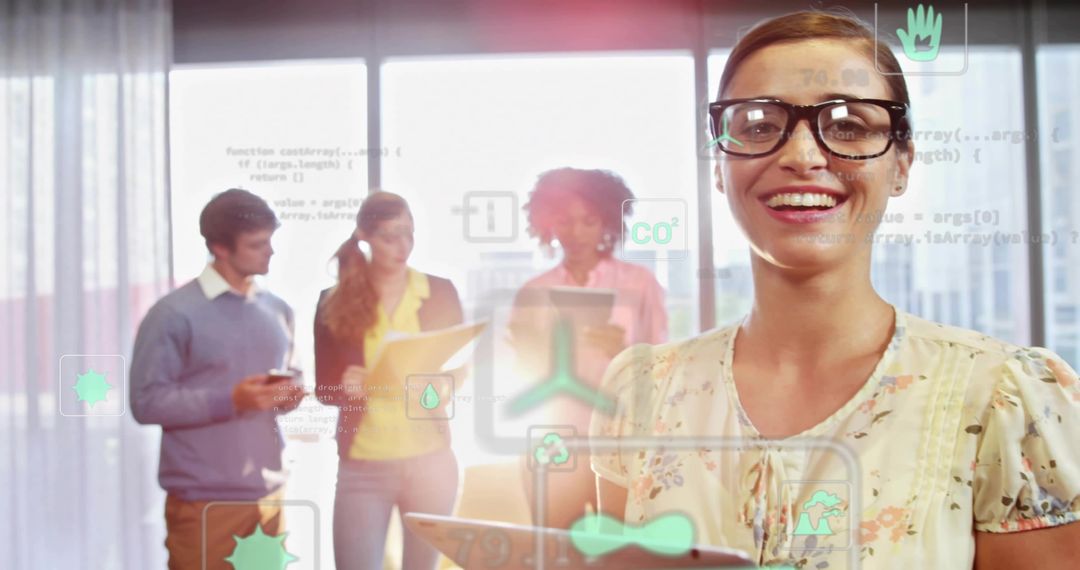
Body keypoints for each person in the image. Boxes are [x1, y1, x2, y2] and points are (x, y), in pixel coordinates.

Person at [590, 10, 1080, 569]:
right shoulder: (640, 392)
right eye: (757, 125)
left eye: (848, 126)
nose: (801, 156)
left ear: (901, 166)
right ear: (719, 168)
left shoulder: (1008, 398)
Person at [130, 188, 304, 570]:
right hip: (203, 500)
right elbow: (145, 401)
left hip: (269, 495)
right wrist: (232, 400)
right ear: (219, 248)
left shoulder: (278, 310)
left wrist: (289, 393)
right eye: (257, 244)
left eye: (270, 241)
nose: (270, 252)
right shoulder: (173, 314)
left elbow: (286, 375)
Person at [509, 167, 668, 529]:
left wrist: (624, 352)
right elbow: (520, 373)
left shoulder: (639, 284)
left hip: (621, 438)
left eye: (589, 220)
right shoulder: (533, 292)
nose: (576, 233)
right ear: (547, 223)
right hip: (553, 437)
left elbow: (663, 370)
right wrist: (539, 354)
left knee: (621, 551)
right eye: (565, 221)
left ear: (607, 222)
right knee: (556, 549)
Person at [314, 191, 464, 570]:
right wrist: (344, 386)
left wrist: (432, 387)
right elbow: (324, 389)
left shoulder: (439, 292)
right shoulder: (333, 301)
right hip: (364, 467)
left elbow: (454, 378)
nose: (403, 246)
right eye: (390, 236)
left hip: (431, 463)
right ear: (365, 236)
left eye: (409, 233)